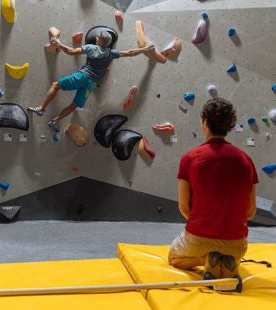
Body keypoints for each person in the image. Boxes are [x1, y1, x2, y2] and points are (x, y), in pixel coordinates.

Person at [168, 98, 258, 292]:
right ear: (229, 126)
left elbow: (184, 207)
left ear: (205, 123)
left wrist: (204, 225)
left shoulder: (190, 158)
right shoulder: (246, 160)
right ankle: (227, 261)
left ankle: (209, 259)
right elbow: (250, 212)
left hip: (198, 238)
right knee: (230, 251)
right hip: (236, 244)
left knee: (174, 258)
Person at [28, 31, 154, 132]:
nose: (96, 38)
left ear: (98, 39)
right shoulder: (112, 53)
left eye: (98, 37)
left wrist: (58, 43)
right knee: (74, 105)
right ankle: (55, 121)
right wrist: (145, 49)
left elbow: (71, 52)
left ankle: (41, 108)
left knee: (56, 85)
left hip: (83, 76)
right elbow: (130, 52)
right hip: (91, 85)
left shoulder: (91, 48)